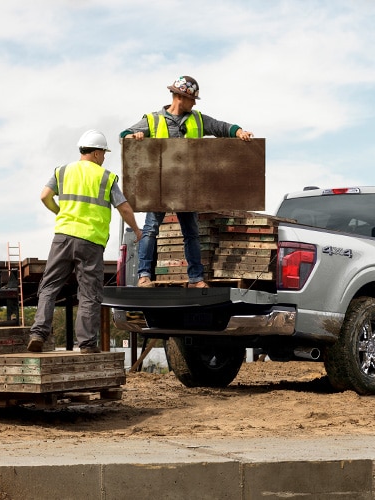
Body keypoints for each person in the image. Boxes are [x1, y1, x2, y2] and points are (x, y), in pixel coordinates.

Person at [120, 75, 254, 288]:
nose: (194, 103)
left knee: (191, 233)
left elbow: (220, 127)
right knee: (151, 230)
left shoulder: (198, 119)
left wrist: (238, 131)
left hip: (187, 188)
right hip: (161, 186)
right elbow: (124, 134)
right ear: (181, 97)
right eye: (193, 99)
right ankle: (144, 276)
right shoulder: (153, 120)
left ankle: (195, 279)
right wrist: (131, 137)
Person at [27, 130, 142, 353]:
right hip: (90, 241)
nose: (104, 158)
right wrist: (137, 230)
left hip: (63, 237)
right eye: (104, 153)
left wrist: (59, 211)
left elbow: (44, 196)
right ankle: (87, 344)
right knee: (89, 293)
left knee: (49, 286)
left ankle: (38, 333)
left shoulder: (62, 171)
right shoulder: (105, 177)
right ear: (97, 153)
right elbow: (124, 207)